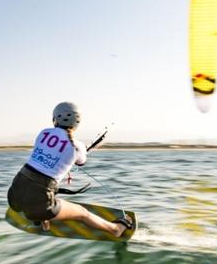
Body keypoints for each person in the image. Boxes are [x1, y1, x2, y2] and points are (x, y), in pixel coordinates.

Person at [7, 101, 132, 237]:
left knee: (43, 186)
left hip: (14, 195)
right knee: (82, 213)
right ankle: (115, 229)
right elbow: (81, 162)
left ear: (55, 118)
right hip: (41, 203)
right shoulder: (78, 146)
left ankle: (42, 218)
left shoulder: (43, 133)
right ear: (77, 122)